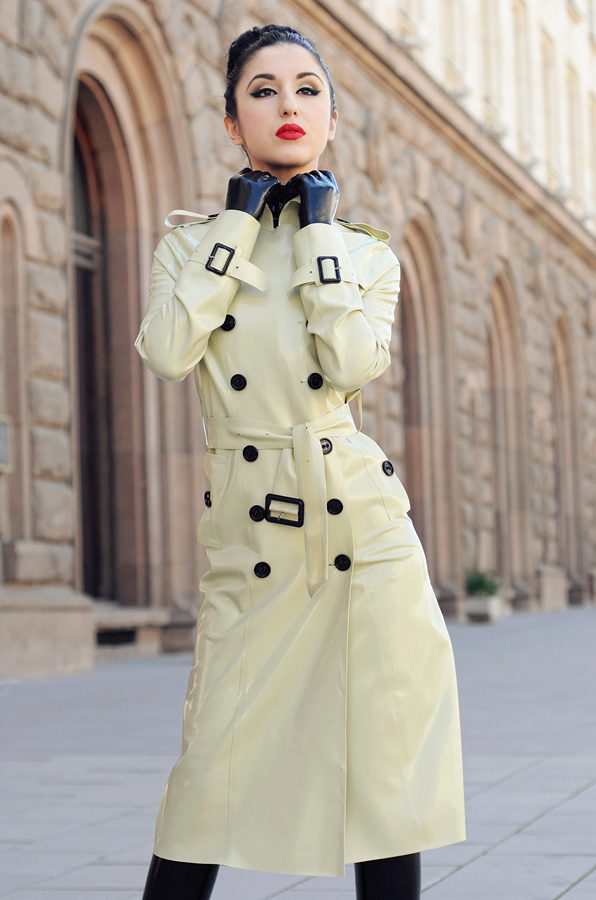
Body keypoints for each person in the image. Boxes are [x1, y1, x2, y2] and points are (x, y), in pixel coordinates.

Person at [135, 23, 465, 900]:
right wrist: (237, 226)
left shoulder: (367, 252)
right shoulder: (190, 245)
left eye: (308, 89)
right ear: (232, 120)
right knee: (207, 776)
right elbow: (167, 352)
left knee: (383, 773)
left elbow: (352, 364)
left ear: (331, 117)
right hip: (252, 535)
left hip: (362, 530)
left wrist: (318, 236)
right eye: (264, 90)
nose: (289, 104)